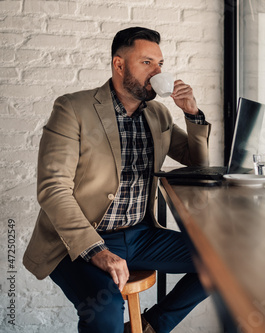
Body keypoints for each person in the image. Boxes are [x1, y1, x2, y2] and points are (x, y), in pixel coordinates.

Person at [23, 27, 211, 333]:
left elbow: (197, 162)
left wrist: (192, 114)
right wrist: (97, 250)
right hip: (79, 241)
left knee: (220, 263)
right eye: (147, 62)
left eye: (160, 64)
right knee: (105, 311)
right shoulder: (73, 108)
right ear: (119, 64)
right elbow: (52, 189)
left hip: (140, 235)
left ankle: (152, 326)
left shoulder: (159, 115)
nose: (157, 72)